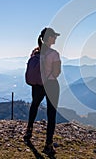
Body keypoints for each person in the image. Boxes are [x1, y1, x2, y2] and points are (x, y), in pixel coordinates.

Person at [24, 27, 61, 155]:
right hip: (51, 84)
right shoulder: (54, 54)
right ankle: (48, 144)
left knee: (34, 105)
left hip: (38, 85)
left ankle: (29, 130)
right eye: (54, 36)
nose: (55, 38)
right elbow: (57, 73)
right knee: (51, 114)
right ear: (49, 38)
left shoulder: (35, 52)